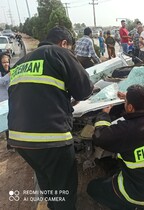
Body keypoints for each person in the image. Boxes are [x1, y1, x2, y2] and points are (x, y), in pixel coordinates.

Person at [8, 26, 94, 210]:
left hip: (19, 139)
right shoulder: (58, 52)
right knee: (64, 187)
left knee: (46, 177)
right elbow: (85, 90)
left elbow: (33, 95)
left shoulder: (20, 63)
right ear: (64, 43)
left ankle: (52, 205)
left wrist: (62, 99)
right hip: (51, 139)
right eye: (70, 48)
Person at [87, 84, 144, 210]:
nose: (124, 103)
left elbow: (99, 137)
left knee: (92, 187)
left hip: (135, 195)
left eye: (126, 102)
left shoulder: (126, 131)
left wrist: (104, 115)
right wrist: (131, 97)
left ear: (130, 107)